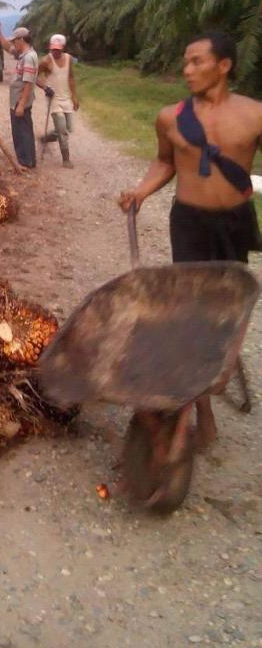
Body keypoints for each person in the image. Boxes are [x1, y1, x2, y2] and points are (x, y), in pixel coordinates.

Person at [119, 30, 262, 446]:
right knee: (191, 315)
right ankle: (203, 412)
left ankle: (218, 371)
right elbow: (165, 162)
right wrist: (141, 191)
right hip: (189, 223)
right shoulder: (170, 117)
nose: (187, 69)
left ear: (224, 65)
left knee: (229, 307)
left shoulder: (255, 114)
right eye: (185, 61)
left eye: (197, 61)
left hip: (234, 223)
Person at [0, 25, 38, 169]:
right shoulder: (23, 55)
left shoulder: (29, 57)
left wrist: (21, 104)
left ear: (21, 40)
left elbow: (28, 82)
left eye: (15, 41)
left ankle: (26, 161)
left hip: (21, 101)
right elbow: (8, 48)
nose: (14, 44)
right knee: (21, 131)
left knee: (22, 132)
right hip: (17, 100)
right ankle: (27, 160)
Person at [37, 33, 79, 168]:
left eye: (58, 49)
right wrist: (45, 87)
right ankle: (66, 159)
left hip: (66, 98)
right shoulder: (46, 61)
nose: (55, 52)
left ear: (63, 48)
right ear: (50, 48)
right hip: (53, 99)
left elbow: (71, 77)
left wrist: (74, 96)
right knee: (62, 129)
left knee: (68, 128)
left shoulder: (69, 59)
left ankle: (49, 136)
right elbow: (34, 76)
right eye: (53, 49)